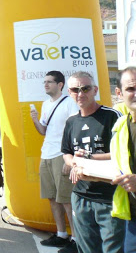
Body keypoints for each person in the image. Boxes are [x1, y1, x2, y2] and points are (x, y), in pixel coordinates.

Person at [63, 71, 124, 253]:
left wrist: (89, 158)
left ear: (95, 90)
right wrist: (75, 163)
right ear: (69, 92)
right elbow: (67, 152)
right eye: (75, 89)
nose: (80, 94)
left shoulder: (112, 116)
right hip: (81, 196)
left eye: (85, 88)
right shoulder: (71, 121)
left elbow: (121, 154)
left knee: (113, 249)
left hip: (109, 197)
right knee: (87, 249)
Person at [29, 71, 80, 249]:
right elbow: (43, 131)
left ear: (60, 85)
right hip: (46, 154)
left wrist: (70, 158)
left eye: (49, 82)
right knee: (52, 197)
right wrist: (35, 120)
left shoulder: (69, 103)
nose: (46, 85)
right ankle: (61, 234)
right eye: (44, 82)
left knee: (66, 199)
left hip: (61, 155)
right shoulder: (45, 104)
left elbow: (76, 129)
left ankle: (76, 239)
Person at [110, 67, 136, 252]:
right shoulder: (123, 125)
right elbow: (119, 163)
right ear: (119, 92)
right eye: (131, 89)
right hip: (132, 216)